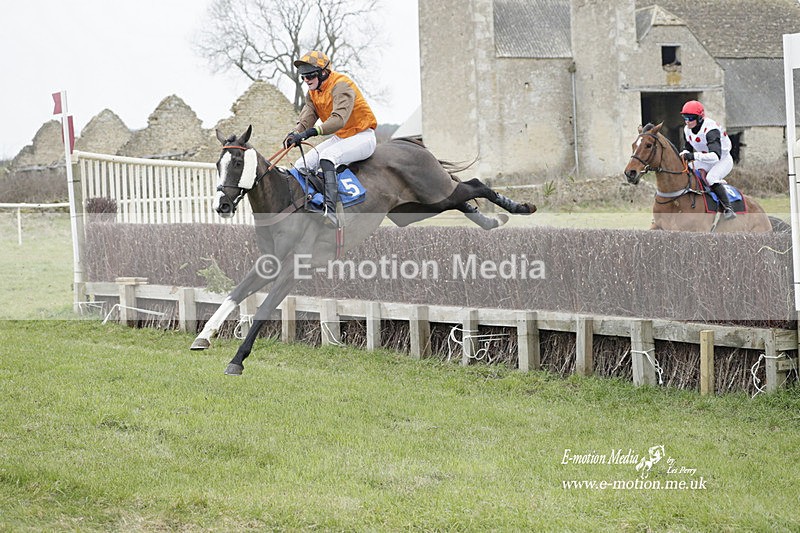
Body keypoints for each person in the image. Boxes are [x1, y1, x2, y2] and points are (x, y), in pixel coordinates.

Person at [283, 50, 378, 226]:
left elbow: (338, 120)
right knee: (300, 165)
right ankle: (314, 203)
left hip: (363, 136)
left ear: (324, 72)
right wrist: (296, 133)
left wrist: (310, 133)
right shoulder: (312, 92)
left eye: (310, 75)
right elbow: (308, 116)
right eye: (303, 77)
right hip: (343, 138)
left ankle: (331, 210)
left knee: (327, 157)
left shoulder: (341, 85)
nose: (306, 80)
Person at [678, 100, 736, 220]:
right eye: (685, 117)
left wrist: (693, 156)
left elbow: (715, 156)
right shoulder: (686, 129)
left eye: (690, 117)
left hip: (722, 160)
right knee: (686, 169)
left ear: (699, 118)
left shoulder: (710, 129)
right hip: (706, 158)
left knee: (711, 178)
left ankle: (728, 208)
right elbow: (687, 148)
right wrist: (683, 154)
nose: (687, 121)